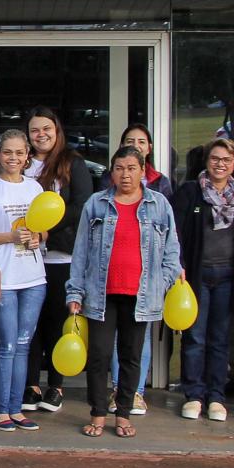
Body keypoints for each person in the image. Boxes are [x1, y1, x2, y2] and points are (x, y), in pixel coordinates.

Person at [66, 145, 183, 438]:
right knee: (99, 356)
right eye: (119, 168)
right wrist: (75, 292)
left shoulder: (159, 205)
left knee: (131, 356)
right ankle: (98, 413)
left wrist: (161, 281)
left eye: (132, 168)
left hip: (140, 295)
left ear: (143, 171)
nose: (125, 174)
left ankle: (124, 413)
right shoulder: (96, 203)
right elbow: (80, 252)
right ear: (112, 172)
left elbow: (172, 252)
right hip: (100, 294)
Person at [23, 107, 96, 414]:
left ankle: (55, 385)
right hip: (24, 258)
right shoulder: (21, 164)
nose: (41, 135)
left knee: (55, 323)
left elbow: (82, 207)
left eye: (46, 129)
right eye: (35, 130)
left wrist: (48, 231)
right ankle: (30, 384)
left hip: (60, 258)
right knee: (31, 325)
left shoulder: (73, 164)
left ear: (57, 131)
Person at [101, 123, 174, 416]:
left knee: (137, 341)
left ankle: (135, 393)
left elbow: (172, 240)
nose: (126, 174)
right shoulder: (104, 194)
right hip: (111, 280)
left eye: (142, 141)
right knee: (112, 342)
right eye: (129, 141)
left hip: (144, 281)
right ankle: (118, 391)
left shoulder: (161, 191)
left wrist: (162, 279)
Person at [0, 130, 48, 431]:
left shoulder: (34, 188)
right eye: (8, 152)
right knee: (6, 345)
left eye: (19, 153)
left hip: (33, 278)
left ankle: (17, 409)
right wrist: (9, 236)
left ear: (27, 155)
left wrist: (37, 237)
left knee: (23, 345)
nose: (13, 158)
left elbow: (44, 230)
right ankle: (1, 410)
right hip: (2, 278)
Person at [171, 138, 234, 421]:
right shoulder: (190, 192)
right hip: (197, 275)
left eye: (226, 160)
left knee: (219, 339)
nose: (220, 164)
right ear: (206, 160)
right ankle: (194, 395)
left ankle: (216, 396)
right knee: (195, 337)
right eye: (215, 158)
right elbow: (174, 231)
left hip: (227, 276)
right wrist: (178, 265)